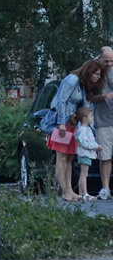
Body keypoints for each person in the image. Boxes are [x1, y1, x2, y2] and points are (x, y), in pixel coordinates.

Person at [47, 59, 104, 201]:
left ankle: (70, 190)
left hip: (72, 123)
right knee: (61, 157)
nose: (97, 77)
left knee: (69, 158)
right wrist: (61, 123)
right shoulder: (72, 80)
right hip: (62, 123)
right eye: (96, 74)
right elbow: (61, 100)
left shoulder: (82, 86)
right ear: (88, 71)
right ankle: (64, 191)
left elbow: (83, 108)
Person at [94, 46, 113, 200]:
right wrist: (103, 96)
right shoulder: (94, 73)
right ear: (99, 58)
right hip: (103, 120)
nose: (109, 64)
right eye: (106, 61)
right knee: (105, 156)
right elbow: (89, 97)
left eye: (112, 61)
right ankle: (105, 188)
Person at [74, 106, 100, 201]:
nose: (92, 118)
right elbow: (83, 143)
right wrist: (96, 146)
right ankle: (85, 193)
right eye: (91, 116)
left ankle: (81, 193)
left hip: (86, 154)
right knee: (84, 174)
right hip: (84, 154)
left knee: (83, 174)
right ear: (84, 118)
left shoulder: (87, 129)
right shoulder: (82, 130)